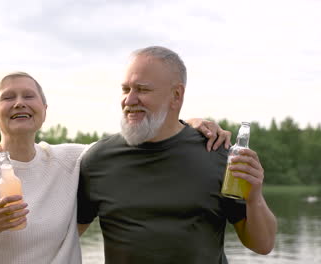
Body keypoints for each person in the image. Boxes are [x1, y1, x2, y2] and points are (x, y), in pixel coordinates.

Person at [0, 71, 231, 263]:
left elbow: (132, 144)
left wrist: (187, 124)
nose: (19, 102)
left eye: (29, 96)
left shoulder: (72, 159)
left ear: (43, 110)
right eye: (8, 98)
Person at [77, 46, 277, 263]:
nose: (130, 100)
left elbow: (262, 245)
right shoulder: (97, 159)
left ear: (176, 95)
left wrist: (254, 197)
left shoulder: (216, 153)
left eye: (142, 90)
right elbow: (64, 237)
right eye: (126, 89)